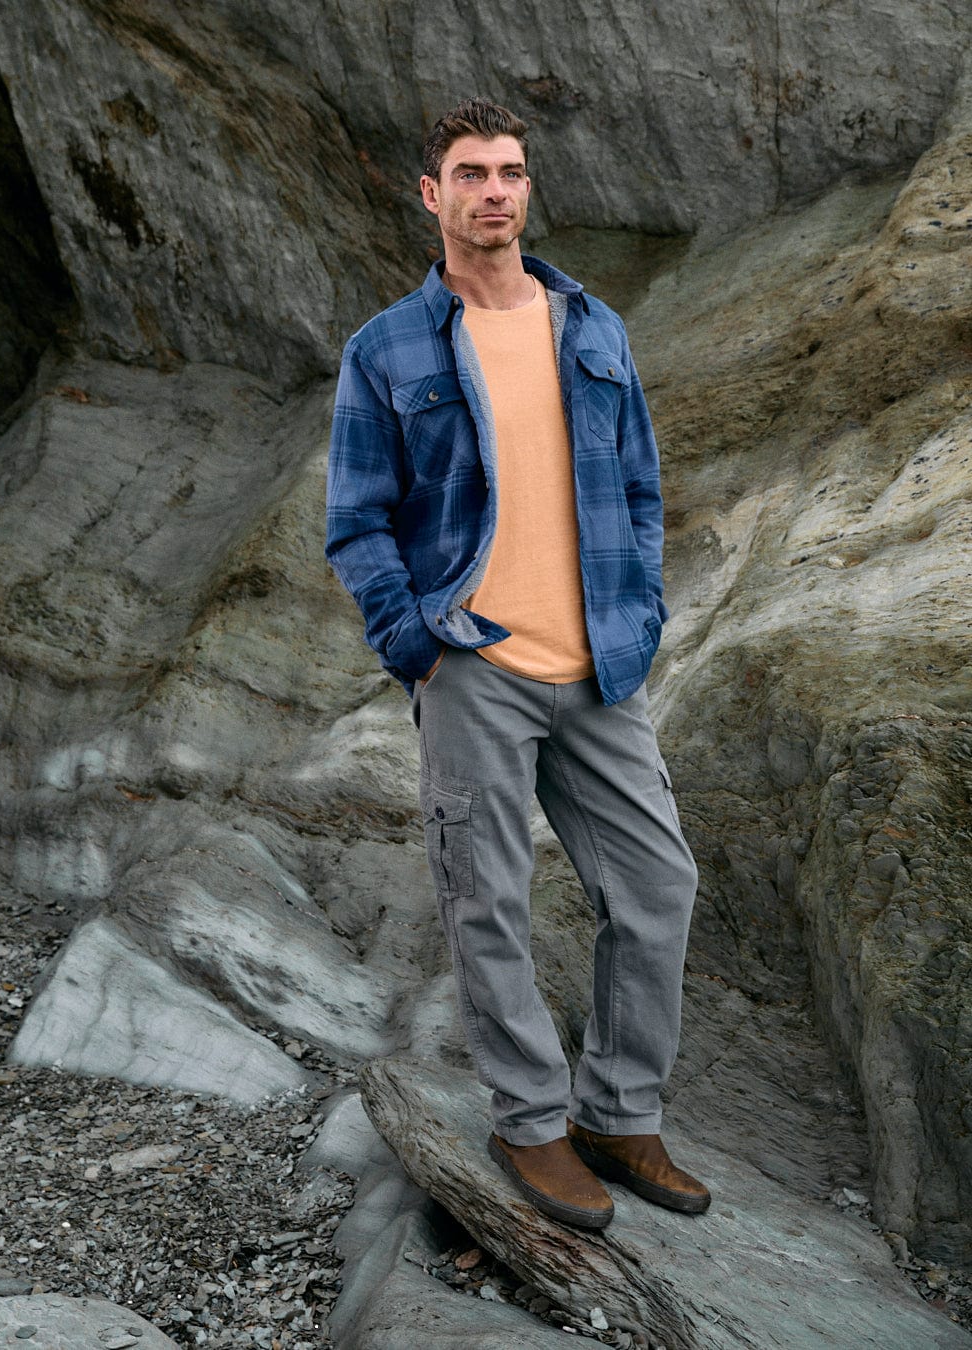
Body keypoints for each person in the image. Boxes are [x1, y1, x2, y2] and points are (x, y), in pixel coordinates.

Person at [326, 97, 709, 1228]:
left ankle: (619, 1115)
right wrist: (418, 649)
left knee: (657, 887)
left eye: (511, 171)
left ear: (528, 188)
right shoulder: (387, 348)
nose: (494, 190)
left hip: (596, 666)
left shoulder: (592, 326)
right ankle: (532, 1125)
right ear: (431, 195)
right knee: (487, 901)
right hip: (473, 666)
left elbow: (638, 487)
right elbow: (358, 523)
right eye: (470, 173)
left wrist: (635, 611)